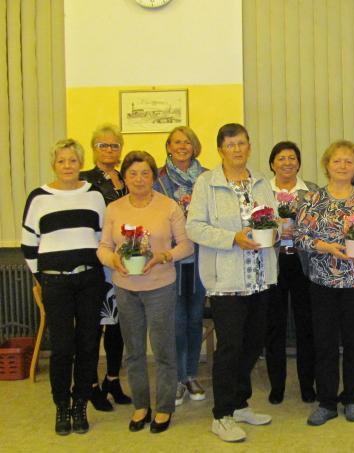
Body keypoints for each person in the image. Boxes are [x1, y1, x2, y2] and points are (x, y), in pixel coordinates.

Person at [186, 123, 278, 443]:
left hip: (260, 278)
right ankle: (221, 415)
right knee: (230, 347)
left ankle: (240, 405)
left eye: (241, 143)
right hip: (226, 281)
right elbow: (194, 228)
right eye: (230, 145)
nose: (237, 149)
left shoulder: (261, 183)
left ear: (249, 146)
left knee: (252, 344)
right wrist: (233, 239)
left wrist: (276, 233)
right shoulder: (206, 183)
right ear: (220, 150)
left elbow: (274, 220)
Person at [97, 150, 194, 434]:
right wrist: (113, 260)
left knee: (164, 350)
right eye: (132, 173)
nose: (139, 179)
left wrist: (163, 256)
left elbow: (185, 246)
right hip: (126, 288)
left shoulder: (169, 206)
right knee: (135, 352)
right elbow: (103, 247)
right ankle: (142, 405)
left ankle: (164, 408)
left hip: (160, 287)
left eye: (145, 173)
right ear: (124, 176)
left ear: (154, 176)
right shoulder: (114, 209)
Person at [296, 140, 354, 426]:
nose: (343, 166)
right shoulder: (311, 200)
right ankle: (326, 402)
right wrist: (325, 246)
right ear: (327, 165)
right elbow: (298, 237)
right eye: (337, 161)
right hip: (323, 281)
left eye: (349, 161)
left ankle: (351, 398)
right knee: (324, 343)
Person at [21, 139, 108, 435]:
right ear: (53, 164)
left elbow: (102, 237)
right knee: (61, 347)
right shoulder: (39, 197)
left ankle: (80, 404)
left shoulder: (94, 195)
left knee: (87, 344)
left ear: (80, 163)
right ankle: (61, 406)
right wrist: (42, 278)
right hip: (54, 281)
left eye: (73, 160)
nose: (68, 166)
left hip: (89, 280)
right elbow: (28, 243)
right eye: (62, 161)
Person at [153, 126, 209, 406]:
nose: (182, 146)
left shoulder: (208, 176)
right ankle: (175, 377)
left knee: (195, 316)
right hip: (171, 258)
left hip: (201, 256)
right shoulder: (158, 179)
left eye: (188, 141)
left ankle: (191, 374)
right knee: (175, 320)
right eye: (177, 142)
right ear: (169, 147)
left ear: (195, 146)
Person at [79, 124, 132, 412]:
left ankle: (112, 379)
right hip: (97, 262)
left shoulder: (127, 179)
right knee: (95, 326)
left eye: (114, 146)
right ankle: (90, 385)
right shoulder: (84, 180)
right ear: (93, 148)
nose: (109, 150)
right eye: (103, 145)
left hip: (124, 264)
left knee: (118, 326)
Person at [264, 141, 318, 405]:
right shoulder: (262, 192)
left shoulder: (312, 192)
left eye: (292, 158)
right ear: (272, 163)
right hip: (273, 263)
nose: (287, 162)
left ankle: (308, 384)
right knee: (274, 327)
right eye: (281, 158)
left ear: (299, 163)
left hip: (303, 263)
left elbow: (321, 227)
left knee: (306, 326)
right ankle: (277, 386)